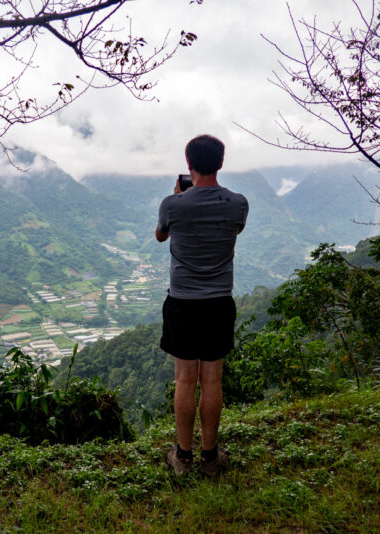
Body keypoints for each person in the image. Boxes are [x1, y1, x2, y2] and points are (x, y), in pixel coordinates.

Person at [155, 134, 248, 476]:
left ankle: (182, 457)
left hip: (182, 302)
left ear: (188, 164)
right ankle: (210, 458)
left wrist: (181, 197)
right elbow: (235, 231)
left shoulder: (172, 204)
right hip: (218, 303)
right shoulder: (238, 204)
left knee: (185, 380)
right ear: (221, 163)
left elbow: (161, 235)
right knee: (212, 380)